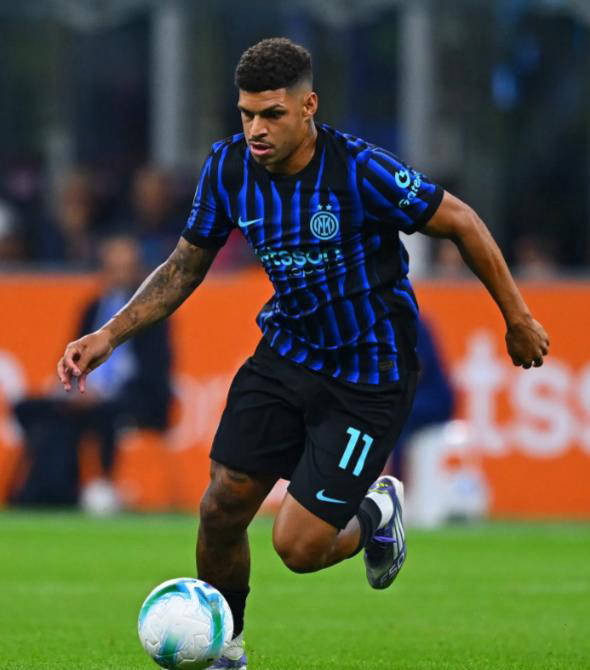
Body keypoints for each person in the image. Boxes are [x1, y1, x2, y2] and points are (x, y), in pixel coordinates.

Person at [57, 38, 549, 668]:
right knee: (222, 504)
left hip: (369, 375)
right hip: (287, 354)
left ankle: (376, 511)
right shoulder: (228, 168)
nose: (256, 130)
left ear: (308, 106)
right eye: (246, 114)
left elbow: (460, 221)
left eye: (272, 114)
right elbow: (184, 266)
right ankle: (226, 647)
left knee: (298, 547)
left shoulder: (359, 170)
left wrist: (517, 317)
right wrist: (108, 335)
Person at [13, 234, 171, 506]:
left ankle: (101, 484)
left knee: (102, 413)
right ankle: (40, 490)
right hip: (86, 393)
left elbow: (153, 373)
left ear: (139, 272)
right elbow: (73, 355)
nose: (119, 276)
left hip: (130, 398)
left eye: (125, 269)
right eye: (113, 268)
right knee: (32, 409)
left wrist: (105, 394)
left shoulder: (153, 316)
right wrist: (70, 388)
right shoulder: (92, 308)